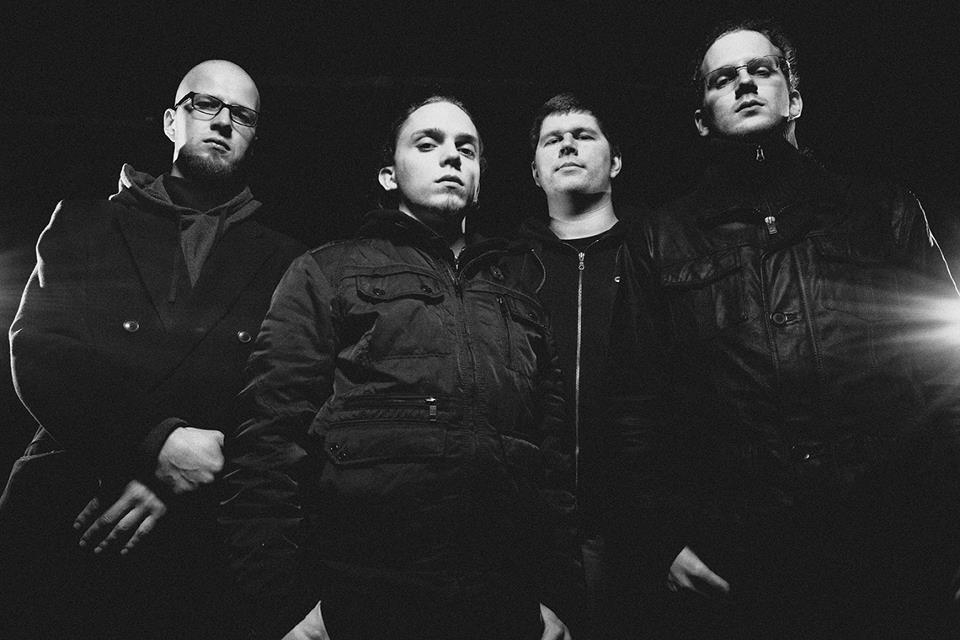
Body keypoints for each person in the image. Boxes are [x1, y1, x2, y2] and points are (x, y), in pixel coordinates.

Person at [617, 18, 960, 638]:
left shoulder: (883, 210)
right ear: (701, 119)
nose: (745, 83)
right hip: (740, 560)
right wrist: (662, 540)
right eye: (723, 78)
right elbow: (637, 402)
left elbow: (949, 377)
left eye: (762, 69)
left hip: (891, 545)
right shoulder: (660, 239)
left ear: (794, 98)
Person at [221, 95, 573, 640]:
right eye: (428, 144)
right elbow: (269, 434)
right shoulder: (327, 270)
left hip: (501, 603)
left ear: (479, 180)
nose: (452, 156)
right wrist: (284, 605)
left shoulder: (520, 292)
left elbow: (552, 456)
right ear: (389, 175)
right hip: (360, 600)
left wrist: (556, 597)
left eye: (467, 149)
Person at [0, 59, 305, 639]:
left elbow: (280, 396)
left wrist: (178, 474)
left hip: (202, 539)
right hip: (70, 510)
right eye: (205, 104)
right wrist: (153, 442)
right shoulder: (85, 221)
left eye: (242, 115)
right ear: (171, 121)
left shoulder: (288, 259)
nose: (223, 122)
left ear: (253, 136)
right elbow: (39, 351)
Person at [519, 93, 647, 636]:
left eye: (584, 135)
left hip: (638, 526)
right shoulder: (504, 267)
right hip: (531, 529)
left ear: (615, 162)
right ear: (535, 171)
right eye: (553, 139)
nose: (568, 145)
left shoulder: (655, 253)